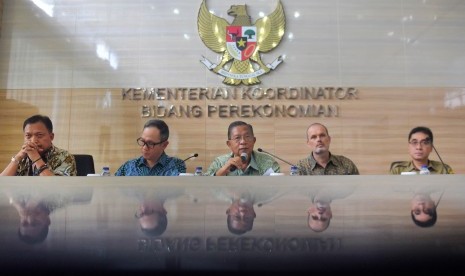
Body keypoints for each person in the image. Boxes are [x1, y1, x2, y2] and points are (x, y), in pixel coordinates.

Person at [0, 114, 77, 176]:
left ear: (51, 137)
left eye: (39, 135)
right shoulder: (22, 158)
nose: (33, 141)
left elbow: (56, 188)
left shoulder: (65, 156)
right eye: (28, 136)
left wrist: (36, 158)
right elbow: (2, 185)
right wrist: (18, 157)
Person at [205, 121, 280, 176]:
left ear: (254, 141)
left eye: (247, 137)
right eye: (237, 138)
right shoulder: (219, 162)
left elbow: (278, 188)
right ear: (229, 144)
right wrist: (224, 169)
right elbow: (204, 186)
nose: (243, 142)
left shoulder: (268, 162)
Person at [115, 119, 186, 176]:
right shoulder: (129, 166)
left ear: (164, 145)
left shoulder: (177, 165)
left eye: (150, 143)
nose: (145, 147)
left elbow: (178, 192)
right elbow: (113, 188)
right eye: (142, 141)